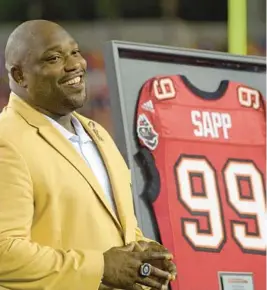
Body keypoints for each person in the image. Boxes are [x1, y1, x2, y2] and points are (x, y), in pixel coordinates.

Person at [0, 20, 176, 290]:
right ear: (19, 75)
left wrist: (145, 255)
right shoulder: (7, 141)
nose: (75, 65)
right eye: (54, 58)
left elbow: (116, 229)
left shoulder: (98, 134)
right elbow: (4, 253)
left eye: (75, 52)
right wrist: (102, 268)